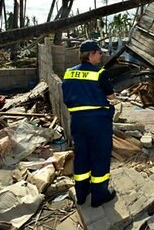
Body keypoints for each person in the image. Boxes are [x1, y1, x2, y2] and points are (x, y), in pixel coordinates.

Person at [62, 40, 116, 207]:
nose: (101, 56)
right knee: (100, 156)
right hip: (97, 122)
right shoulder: (100, 73)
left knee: (82, 156)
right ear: (91, 54)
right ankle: (99, 195)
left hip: (77, 121)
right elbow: (111, 96)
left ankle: (82, 194)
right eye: (99, 53)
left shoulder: (69, 73)